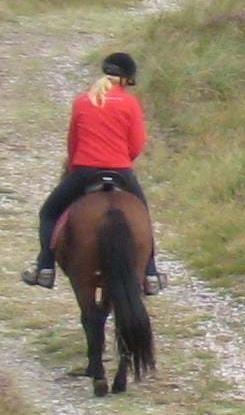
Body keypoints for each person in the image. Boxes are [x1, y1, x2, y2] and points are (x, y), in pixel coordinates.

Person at [25, 52, 161, 292]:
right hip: (120, 170)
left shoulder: (82, 101)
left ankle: (45, 267)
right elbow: (137, 144)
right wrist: (120, 159)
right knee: (144, 217)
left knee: (48, 213)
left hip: (84, 171)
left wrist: (78, 164)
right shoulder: (130, 103)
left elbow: (73, 143)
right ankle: (150, 273)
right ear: (128, 79)